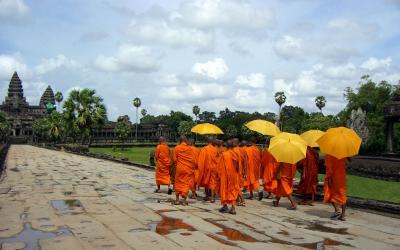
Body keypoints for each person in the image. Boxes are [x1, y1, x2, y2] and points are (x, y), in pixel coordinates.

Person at [217, 140, 241, 215]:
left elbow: (219, 167)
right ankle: (233, 208)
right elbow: (238, 166)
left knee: (224, 189)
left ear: (227, 146)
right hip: (233, 175)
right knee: (233, 190)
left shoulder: (224, 154)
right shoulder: (235, 154)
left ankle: (225, 205)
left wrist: (218, 175)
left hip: (224, 176)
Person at [173, 136, 196, 205]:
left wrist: (178, 164)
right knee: (186, 183)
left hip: (179, 168)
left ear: (180, 140)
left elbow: (174, 160)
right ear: (186, 141)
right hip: (187, 168)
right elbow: (193, 160)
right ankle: (184, 200)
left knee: (178, 182)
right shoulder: (189, 148)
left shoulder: (177, 148)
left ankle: (177, 200)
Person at [324, 154, 348, 221]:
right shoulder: (343, 152)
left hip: (333, 176)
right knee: (342, 194)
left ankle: (337, 210)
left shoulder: (329, 153)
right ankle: (343, 215)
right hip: (341, 176)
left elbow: (328, 166)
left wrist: (329, 177)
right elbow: (349, 160)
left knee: (330, 193)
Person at [232, 138, 246, 206]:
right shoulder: (240, 150)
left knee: (236, 186)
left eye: (233, 142)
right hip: (239, 171)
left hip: (235, 171)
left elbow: (236, 162)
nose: (232, 143)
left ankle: (242, 200)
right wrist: (244, 171)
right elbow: (244, 160)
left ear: (237, 143)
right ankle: (237, 199)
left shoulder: (234, 150)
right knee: (236, 186)